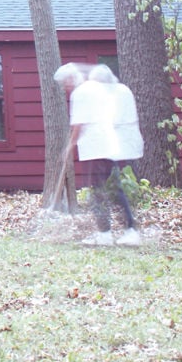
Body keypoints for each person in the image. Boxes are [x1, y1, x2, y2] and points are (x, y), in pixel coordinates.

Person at [54, 62, 143, 246]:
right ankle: (130, 230)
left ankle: (105, 234)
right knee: (114, 188)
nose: (66, 88)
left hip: (97, 149)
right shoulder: (106, 92)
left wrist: (69, 147)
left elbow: (78, 124)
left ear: (71, 78)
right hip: (113, 147)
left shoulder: (83, 93)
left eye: (65, 84)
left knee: (98, 190)